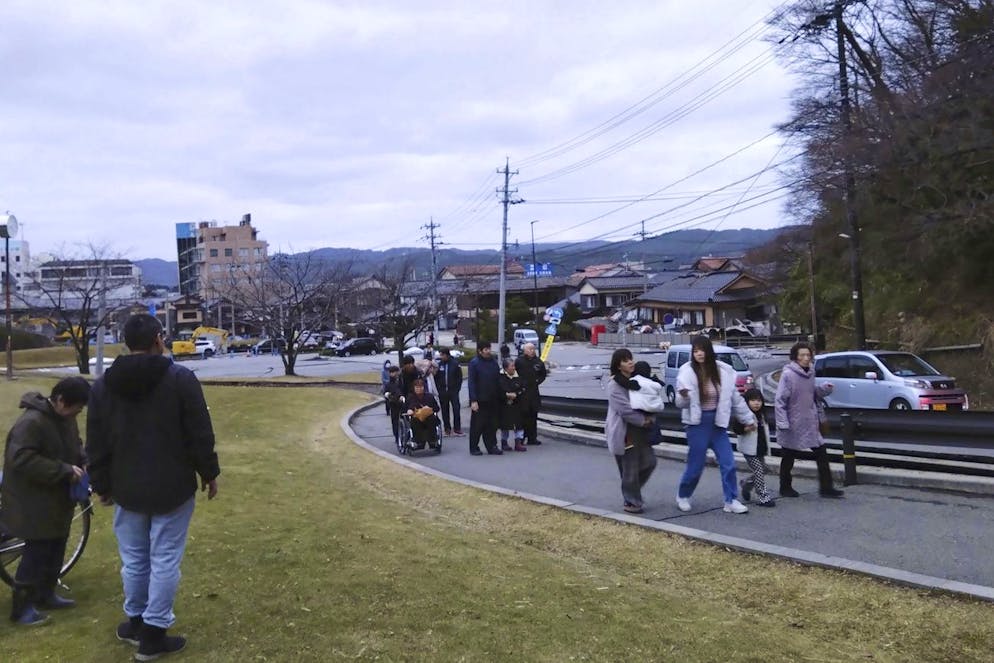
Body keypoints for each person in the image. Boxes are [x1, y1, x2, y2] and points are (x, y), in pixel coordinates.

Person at [86, 313, 220, 660]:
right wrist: (209, 472)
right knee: (164, 559)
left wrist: (100, 483)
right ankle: (153, 633)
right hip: (173, 484)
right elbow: (199, 431)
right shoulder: (180, 379)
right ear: (158, 339)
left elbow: (96, 440)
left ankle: (136, 622)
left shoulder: (103, 385)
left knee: (133, 558)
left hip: (126, 485)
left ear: (126, 342)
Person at [0, 377, 91, 626]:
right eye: (76, 407)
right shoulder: (31, 423)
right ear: (60, 400)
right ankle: (21, 609)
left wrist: (83, 460)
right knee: (37, 552)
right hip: (32, 499)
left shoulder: (65, 418)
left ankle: (45, 594)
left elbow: (75, 444)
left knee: (56, 545)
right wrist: (64, 470)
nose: (78, 413)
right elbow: (21, 459)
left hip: (57, 497)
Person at [674, 335, 755, 514]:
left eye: (702, 350)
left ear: (709, 351)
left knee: (728, 462)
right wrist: (684, 395)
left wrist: (748, 419)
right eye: (695, 351)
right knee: (696, 466)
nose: (699, 354)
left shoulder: (722, 372)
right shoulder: (687, 372)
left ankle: (731, 500)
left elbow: (735, 399)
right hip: (697, 424)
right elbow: (680, 403)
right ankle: (683, 495)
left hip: (718, 423)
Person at [775, 341, 844, 499]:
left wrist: (824, 389)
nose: (806, 358)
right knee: (788, 456)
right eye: (802, 355)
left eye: (808, 355)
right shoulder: (788, 375)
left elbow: (812, 393)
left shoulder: (811, 372)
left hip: (810, 421)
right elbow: (780, 400)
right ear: (795, 357)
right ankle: (785, 487)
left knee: (821, 453)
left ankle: (826, 488)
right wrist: (783, 422)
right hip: (793, 422)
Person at [605, 349, 657, 514]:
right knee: (630, 469)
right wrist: (644, 420)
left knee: (650, 462)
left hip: (641, 431)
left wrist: (650, 417)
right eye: (625, 360)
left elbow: (648, 400)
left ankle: (630, 490)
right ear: (618, 365)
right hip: (624, 432)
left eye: (631, 359)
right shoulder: (614, 385)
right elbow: (625, 410)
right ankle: (632, 501)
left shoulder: (637, 381)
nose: (630, 362)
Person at [733, 388, 775, 507]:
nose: (756, 403)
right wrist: (746, 429)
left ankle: (746, 484)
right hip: (749, 450)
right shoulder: (744, 415)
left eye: (759, 400)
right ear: (746, 401)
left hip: (760, 449)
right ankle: (763, 496)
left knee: (764, 469)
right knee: (759, 470)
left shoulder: (762, 415)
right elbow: (736, 429)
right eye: (753, 400)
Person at [614, 360, 665, 446]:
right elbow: (661, 384)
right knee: (652, 431)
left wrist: (616, 376)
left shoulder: (637, 383)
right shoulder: (653, 383)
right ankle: (654, 439)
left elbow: (623, 382)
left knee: (639, 439)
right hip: (652, 411)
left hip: (639, 412)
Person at [467, 341, 501, 455]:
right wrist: (473, 400)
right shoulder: (474, 363)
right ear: (480, 351)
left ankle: (492, 446)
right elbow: (471, 382)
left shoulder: (494, 362)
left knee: (492, 425)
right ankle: (474, 447)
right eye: (486, 349)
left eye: (489, 349)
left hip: (493, 398)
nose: (488, 351)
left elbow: (498, 380)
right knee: (477, 425)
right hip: (480, 399)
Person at [514, 342, 547, 446]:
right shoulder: (519, 361)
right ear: (525, 350)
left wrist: (538, 381)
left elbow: (543, 374)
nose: (532, 351)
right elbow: (513, 373)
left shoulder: (538, 362)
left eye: (533, 349)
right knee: (523, 416)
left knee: (533, 416)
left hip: (534, 392)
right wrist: (518, 384)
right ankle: (521, 438)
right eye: (530, 349)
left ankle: (532, 438)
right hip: (522, 393)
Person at [498, 358, 527, 452]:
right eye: (512, 366)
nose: (514, 368)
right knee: (504, 425)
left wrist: (516, 394)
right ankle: (504, 442)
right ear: (506, 368)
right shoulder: (500, 377)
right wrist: (506, 395)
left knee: (519, 424)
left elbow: (523, 388)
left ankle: (518, 443)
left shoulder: (519, 376)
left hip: (517, 403)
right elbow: (497, 389)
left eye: (514, 365)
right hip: (504, 404)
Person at [434, 348, 463, 436]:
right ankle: (447, 428)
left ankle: (457, 428)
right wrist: (439, 389)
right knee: (444, 410)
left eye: (442, 355)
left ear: (447, 355)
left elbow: (459, 377)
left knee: (456, 409)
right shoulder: (440, 365)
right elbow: (436, 378)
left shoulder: (455, 364)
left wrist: (457, 389)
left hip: (453, 391)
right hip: (443, 392)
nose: (441, 357)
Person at [405, 379, 441, 449]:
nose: (419, 389)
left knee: (432, 419)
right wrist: (409, 410)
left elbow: (437, 408)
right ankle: (419, 442)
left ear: (423, 387)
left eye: (421, 387)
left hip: (428, 416)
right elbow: (406, 408)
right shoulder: (410, 397)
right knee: (415, 421)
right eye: (417, 387)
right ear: (414, 388)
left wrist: (430, 408)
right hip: (416, 417)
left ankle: (432, 440)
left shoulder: (429, 396)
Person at [383, 365, 404, 444]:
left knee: (403, 419)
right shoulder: (389, 384)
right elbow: (386, 393)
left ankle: (403, 435)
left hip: (402, 403)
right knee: (395, 421)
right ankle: (397, 436)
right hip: (393, 404)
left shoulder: (401, 382)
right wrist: (388, 395)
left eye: (396, 372)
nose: (395, 374)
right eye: (392, 372)